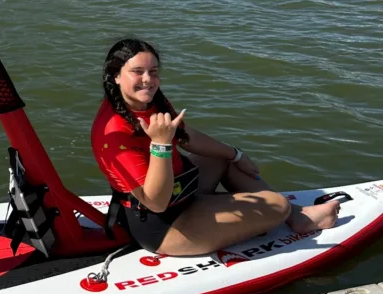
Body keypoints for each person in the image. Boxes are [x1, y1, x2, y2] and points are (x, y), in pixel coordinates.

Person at [91, 38, 340, 255]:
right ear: (115, 75)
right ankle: (289, 213)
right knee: (278, 204)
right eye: (137, 71)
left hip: (180, 191)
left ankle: (297, 216)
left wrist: (236, 154)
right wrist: (161, 144)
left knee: (221, 157)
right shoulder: (114, 133)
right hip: (162, 225)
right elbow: (156, 203)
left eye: (154, 72)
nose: (148, 80)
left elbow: (186, 135)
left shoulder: (149, 101)